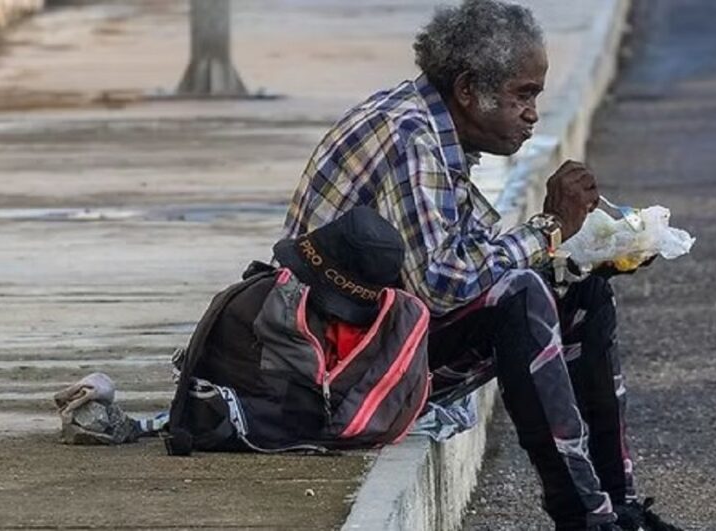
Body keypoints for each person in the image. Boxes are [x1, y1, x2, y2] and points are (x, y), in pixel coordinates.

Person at [283, 1, 681, 529]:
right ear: (469, 89)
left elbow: (464, 260)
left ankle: (619, 506)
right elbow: (445, 286)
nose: (533, 114)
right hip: (334, 368)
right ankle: (585, 517)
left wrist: (577, 257)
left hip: (372, 338)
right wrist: (548, 229)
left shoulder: (434, 128)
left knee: (582, 293)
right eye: (523, 95)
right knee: (520, 297)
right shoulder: (411, 138)